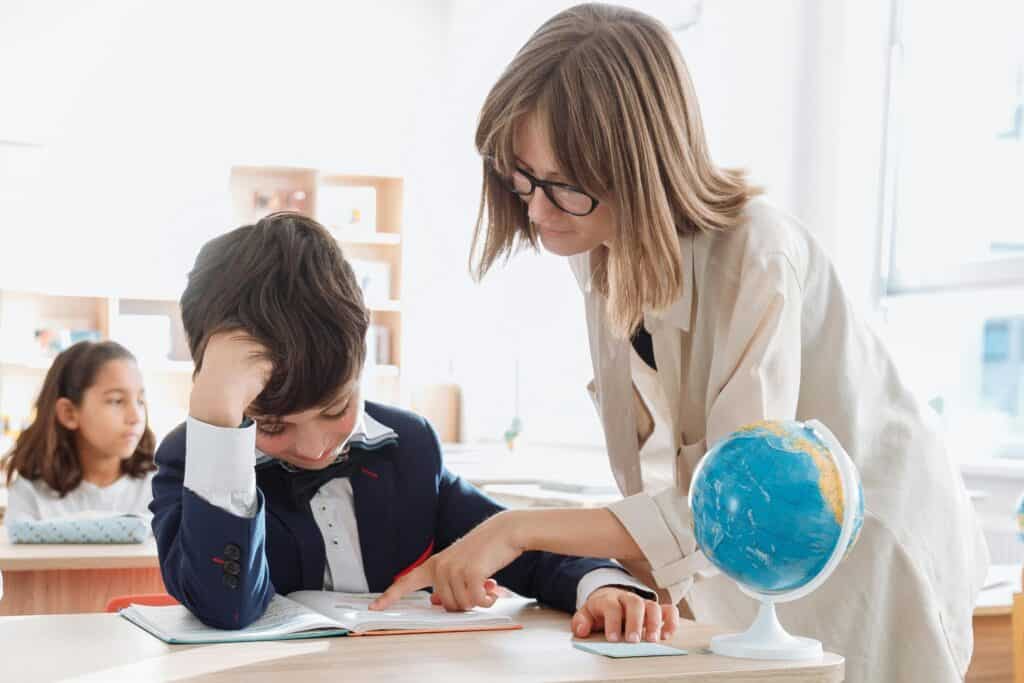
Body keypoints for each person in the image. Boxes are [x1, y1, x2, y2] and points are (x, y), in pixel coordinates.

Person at [371, 4, 989, 680]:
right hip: (762, 571)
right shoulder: (601, 252)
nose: (538, 211)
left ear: (636, 164)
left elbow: (739, 504)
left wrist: (511, 529)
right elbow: (666, 481)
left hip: (868, 544)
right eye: (523, 183)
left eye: (562, 187)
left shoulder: (758, 255)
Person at [150, 211, 675, 641]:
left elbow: (515, 546)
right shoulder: (193, 461)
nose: (313, 448)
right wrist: (218, 415)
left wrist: (599, 587)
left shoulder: (408, 446)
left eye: (335, 411)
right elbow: (226, 607)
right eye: (274, 427)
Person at [2, 340, 156, 522]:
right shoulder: (30, 494)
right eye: (116, 401)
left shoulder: (159, 489)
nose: (136, 417)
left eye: (140, 401)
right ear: (69, 413)